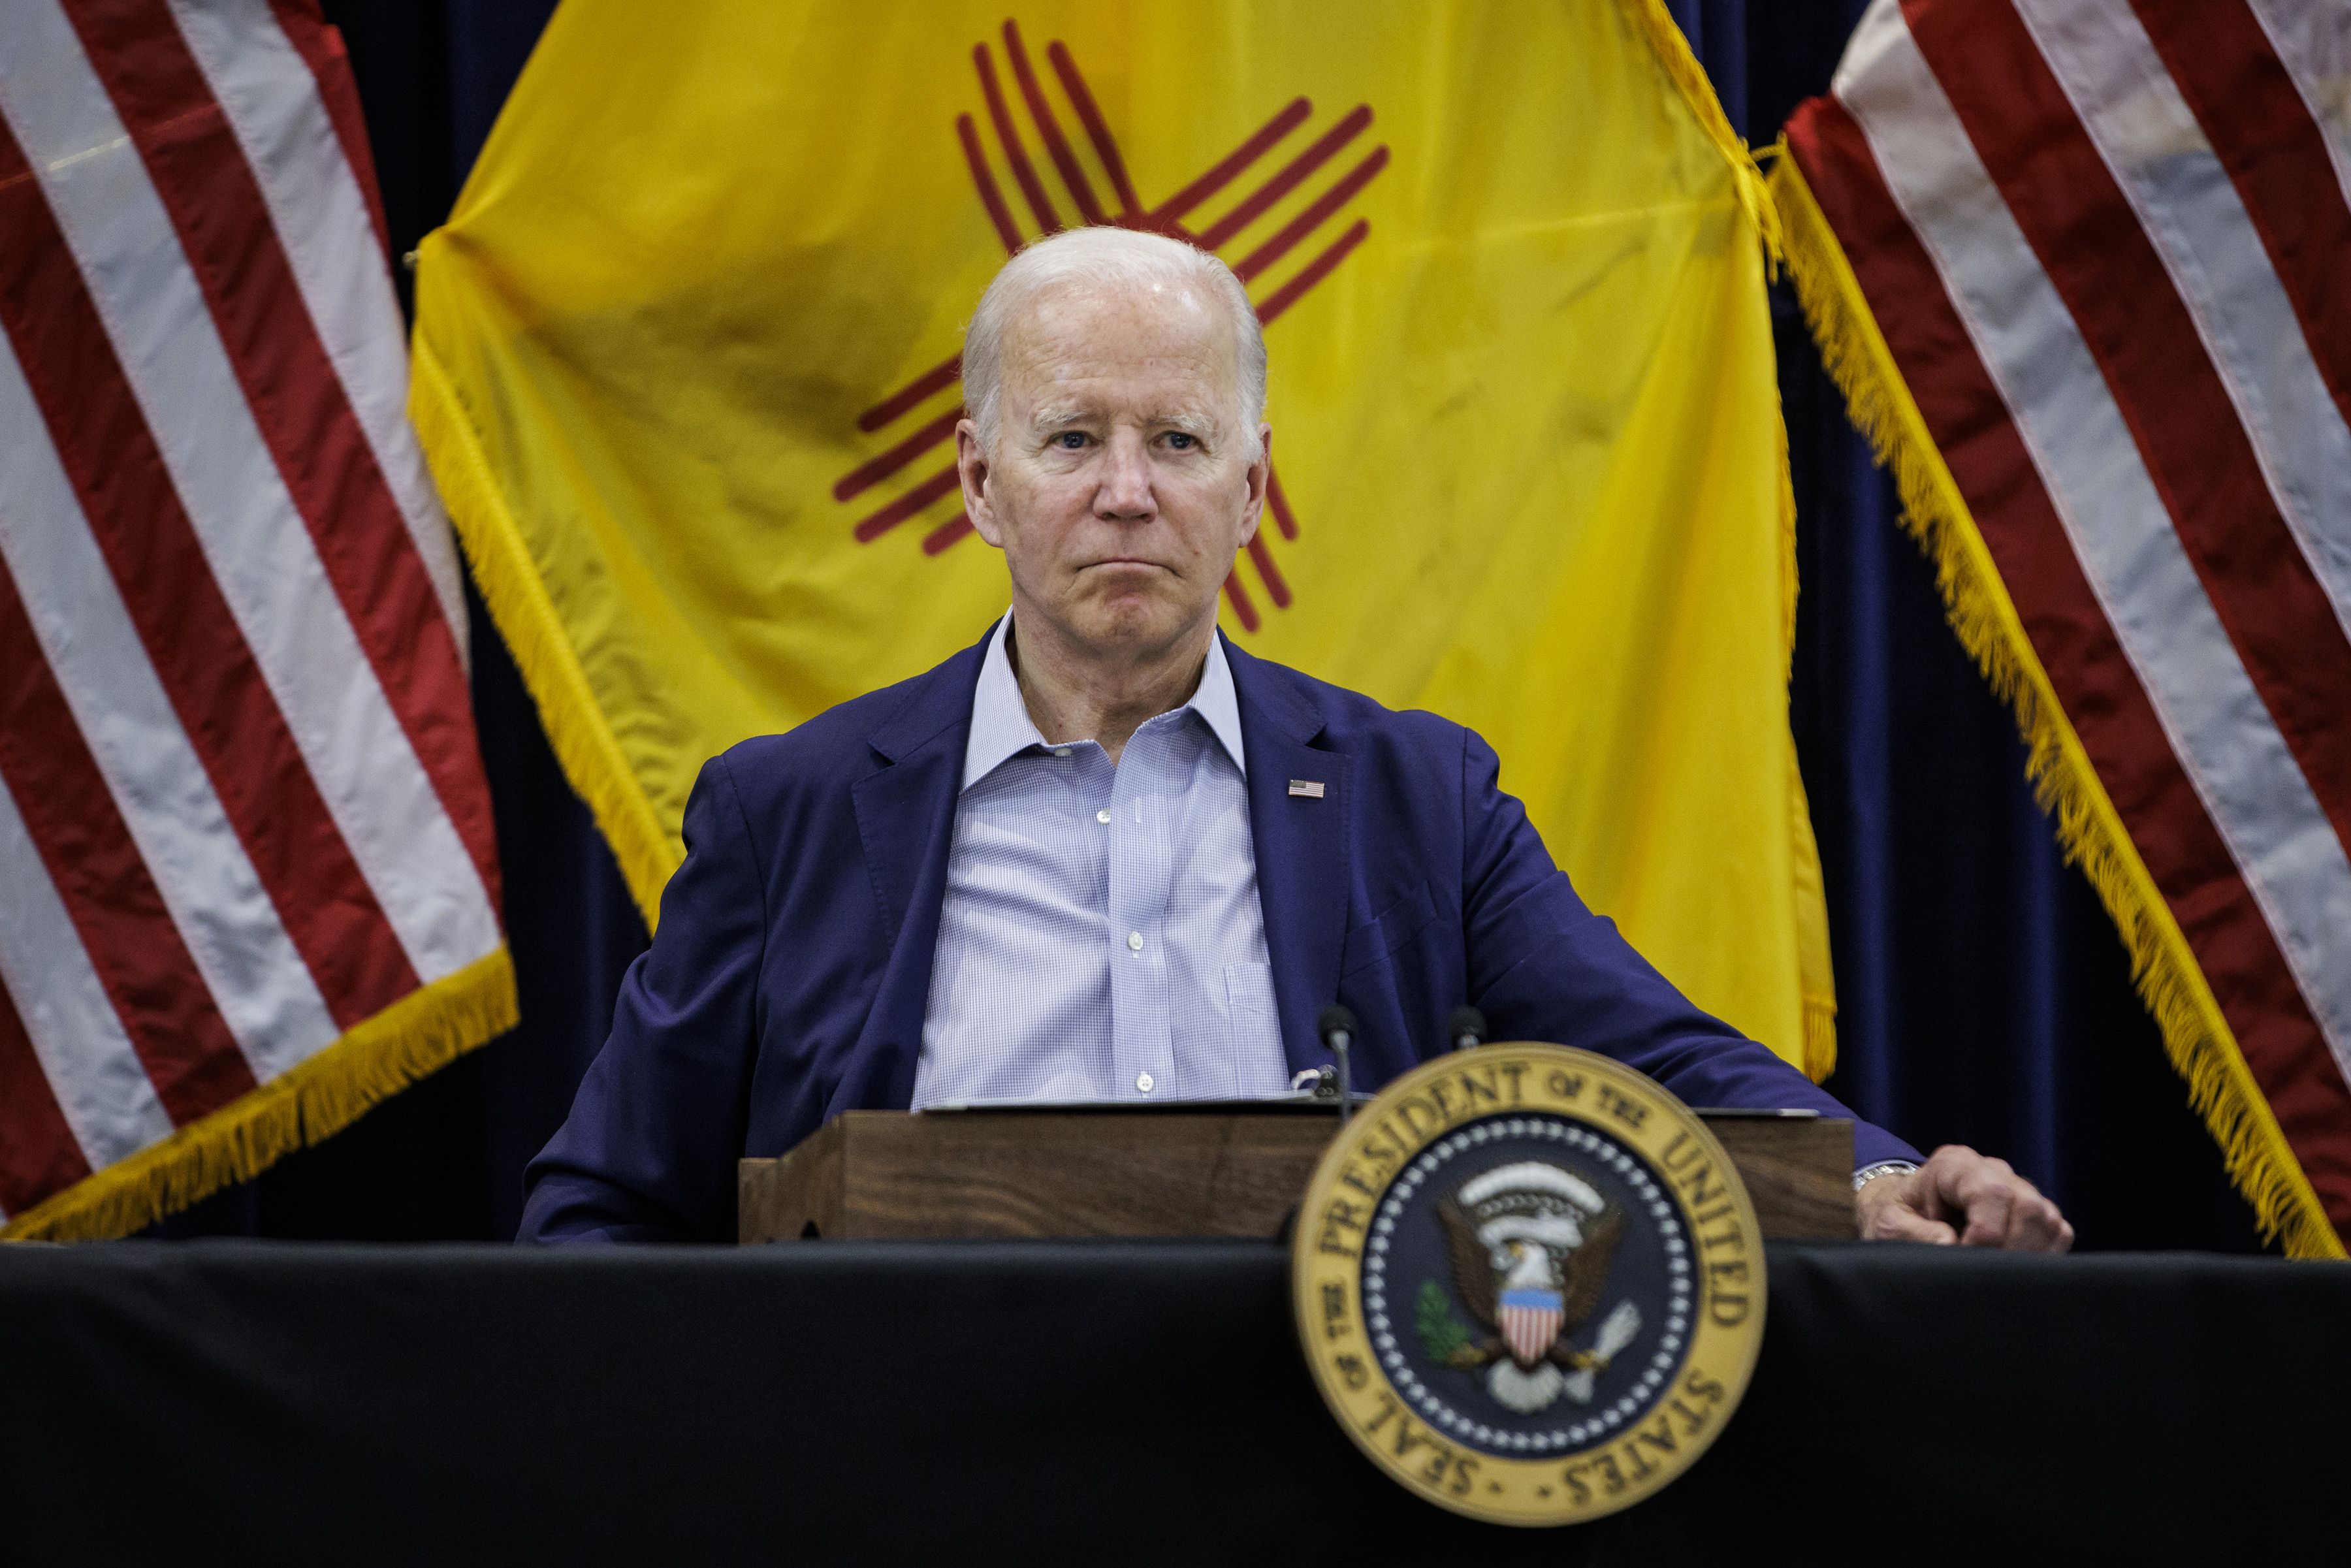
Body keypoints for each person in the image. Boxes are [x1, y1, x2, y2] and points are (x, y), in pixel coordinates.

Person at [520, 227, 2071, 1253]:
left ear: (1250, 490)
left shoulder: (1412, 797)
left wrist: (1873, 1173)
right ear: (982, 484)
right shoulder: (789, 813)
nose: (1127, 491)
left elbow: (1653, 1056)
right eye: (1073, 440)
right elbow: (599, 1207)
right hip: (902, 1476)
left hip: (1316, 1475)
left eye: (1178, 443)